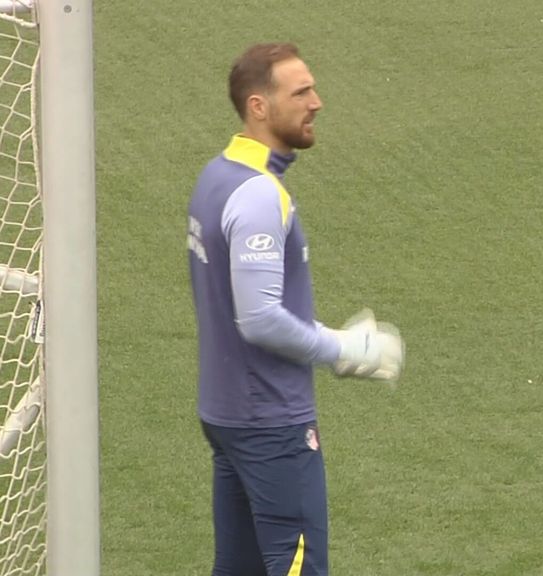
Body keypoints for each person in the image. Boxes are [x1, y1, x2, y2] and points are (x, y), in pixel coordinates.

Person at [186, 42, 404, 576]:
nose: (317, 102)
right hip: (271, 424)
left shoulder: (216, 176)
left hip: (228, 413)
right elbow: (258, 317)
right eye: (301, 91)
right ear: (259, 106)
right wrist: (345, 349)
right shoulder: (260, 195)